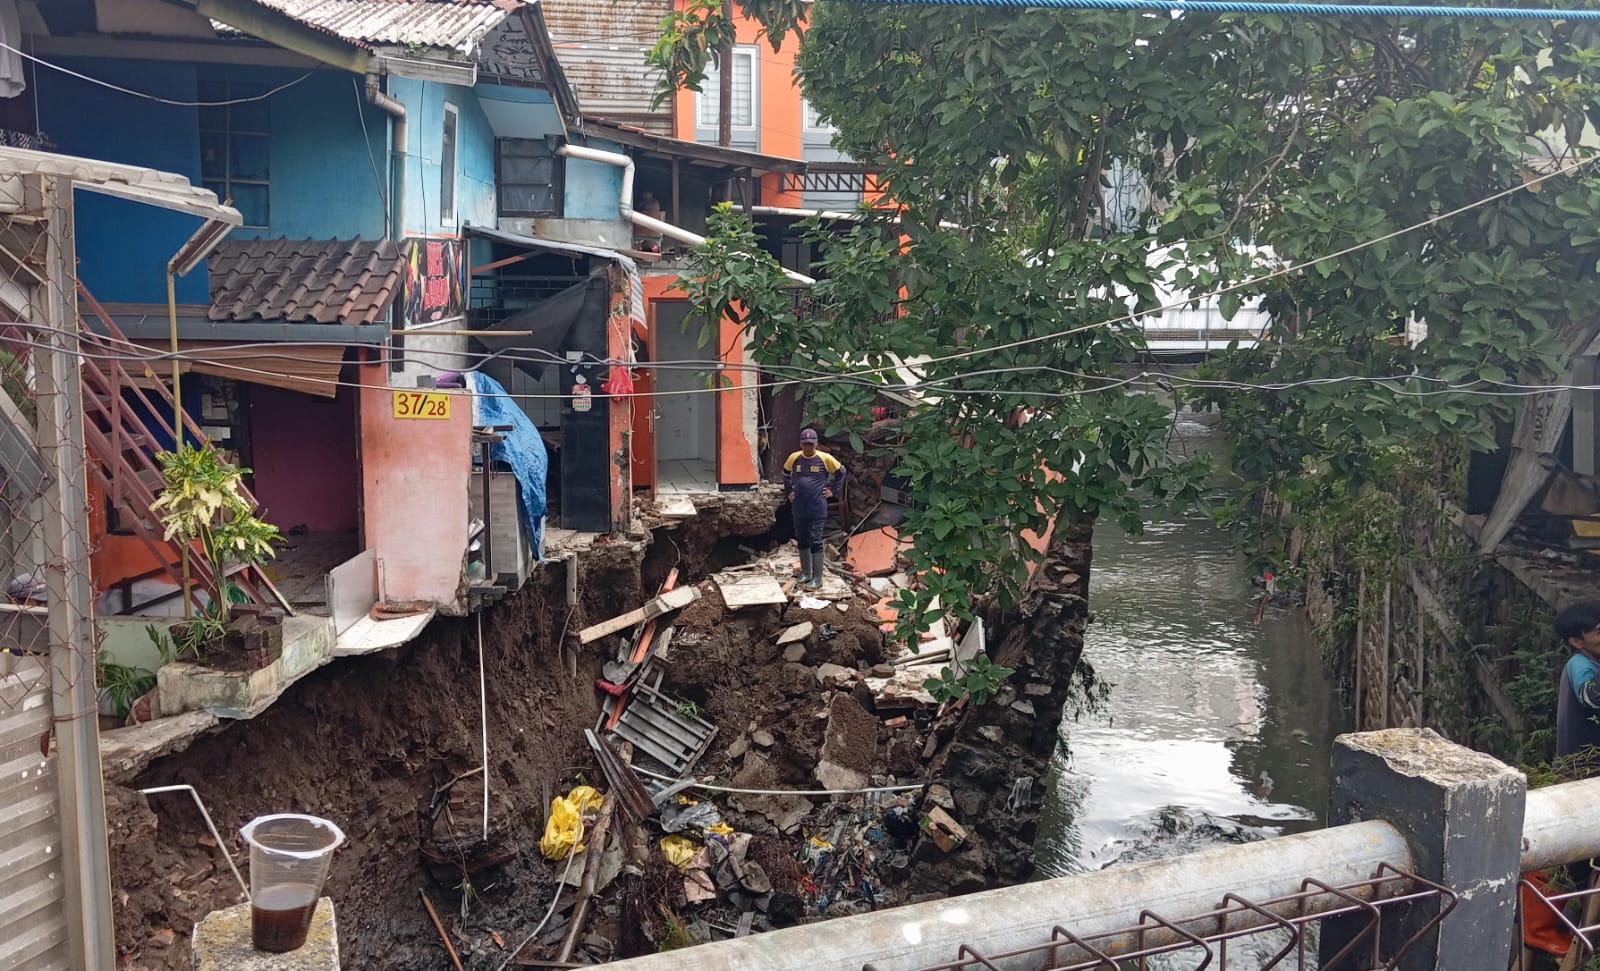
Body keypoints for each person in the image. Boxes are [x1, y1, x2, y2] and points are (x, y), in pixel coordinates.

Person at [782, 427, 844, 591]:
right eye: (805, 444)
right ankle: (806, 573)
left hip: (817, 507)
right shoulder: (794, 458)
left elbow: (841, 472)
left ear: (816, 444)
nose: (808, 447)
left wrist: (833, 490)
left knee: (815, 541)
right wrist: (789, 490)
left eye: (811, 444)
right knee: (802, 539)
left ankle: (818, 578)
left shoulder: (825, 458)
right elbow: (785, 472)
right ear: (801, 444)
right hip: (799, 506)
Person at [1555, 601, 1600, 770]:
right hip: (1579, 768)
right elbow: (1591, 698)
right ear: (1576, 642)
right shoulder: (1579, 665)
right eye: (1599, 632)